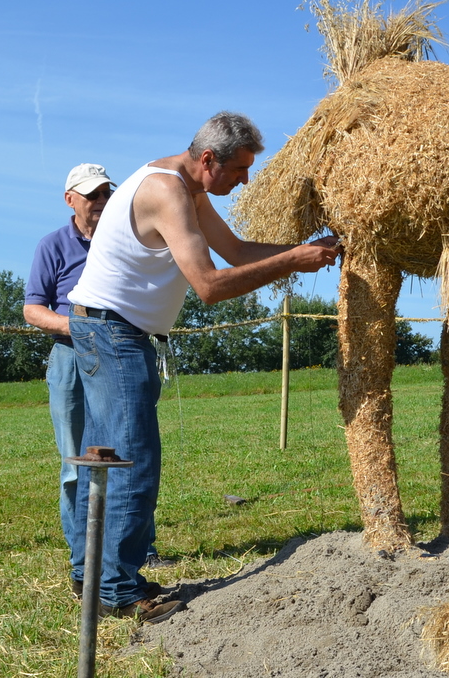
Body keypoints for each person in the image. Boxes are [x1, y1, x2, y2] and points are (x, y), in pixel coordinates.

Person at [67, 111, 341, 624]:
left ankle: (91, 575)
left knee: (105, 455)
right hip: (113, 332)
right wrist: (292, 263)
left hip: (109, 329)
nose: (245, 181)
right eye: (240, 169)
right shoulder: (167, 192)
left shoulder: (188, 187)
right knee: (132, 459)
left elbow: (234, 250)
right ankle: (118, 591)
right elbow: (210, 286)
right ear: (209, 159)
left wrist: (309, 249)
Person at [24, 164, 176, 604]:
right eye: (91, 195)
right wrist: (85, 330)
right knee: (79, 462)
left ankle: (136, 551)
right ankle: (82, 566)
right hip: (73, 356)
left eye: (106, 192)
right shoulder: (53, 245)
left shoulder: (121, 234)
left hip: (121, 350)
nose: (100, 201)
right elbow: (33, 309)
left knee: (128, 447)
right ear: (69, 198)